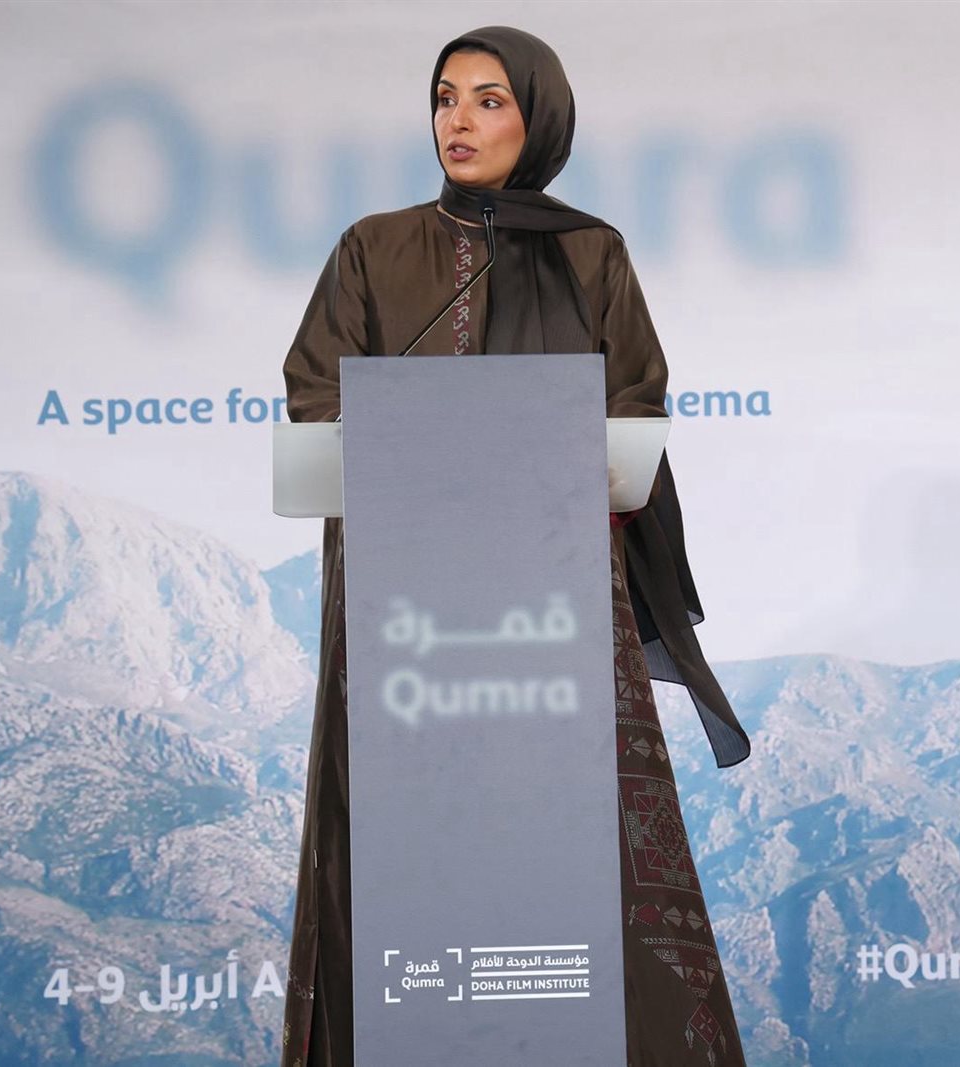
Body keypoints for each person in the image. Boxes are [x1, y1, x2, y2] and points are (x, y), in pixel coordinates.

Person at [280, 26, 751, 1067]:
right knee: (399, 856)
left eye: (489, 99)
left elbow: (634, 405)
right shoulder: (371, 249)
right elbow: (316, 398)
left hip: (552, 616)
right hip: (403, 623)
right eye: (445, 97)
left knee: (575, 856)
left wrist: (523, 454)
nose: (458, 120)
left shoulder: (592, 254)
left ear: (539, 118)